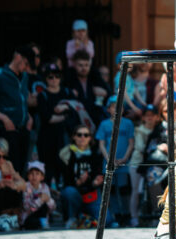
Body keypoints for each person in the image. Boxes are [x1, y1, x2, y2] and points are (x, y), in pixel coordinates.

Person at [0, 47, 33, 174]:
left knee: (22, 169)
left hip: (23, 129)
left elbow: (21, 100)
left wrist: (28, 116)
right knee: (9, 169)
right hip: (8, 130)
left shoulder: (24, 76)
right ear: (18, 57)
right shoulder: (1, 76)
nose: (27, 68)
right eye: (26, 64)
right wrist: (4, 118)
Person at [95, 97, 135, 227]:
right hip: (108, 164)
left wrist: (125, 158)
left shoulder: (128, 123)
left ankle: (126, 215)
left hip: (123, 163)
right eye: (113, 106)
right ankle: (115, 216)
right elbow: (101, 144)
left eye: (120, 106)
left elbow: (131, 143)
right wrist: (109, 159)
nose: (117, 109)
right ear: (108, 109)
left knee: (124, 190)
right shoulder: (104, 124)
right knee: (110, 191)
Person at [59, 125, 105, 228]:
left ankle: (84, 217)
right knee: (69, 191)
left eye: (86, 135)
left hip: (90, 194)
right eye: (79, 135)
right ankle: (72, 218)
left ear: (90, 138)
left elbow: (98, 175)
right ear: (74, 137)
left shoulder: (95, 155)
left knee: (106, 222)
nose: (82, 137)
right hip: (75, 194)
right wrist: (78, 182)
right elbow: (65, 181)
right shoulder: (66, 154)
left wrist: (95, 183)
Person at [129, 105, 161, 226]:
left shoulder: (159, 130)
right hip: (137, 164)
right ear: (143, 118)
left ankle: (156, 215)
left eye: (152, 115)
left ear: (157, 117)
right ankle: (134, 217)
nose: (149, 118)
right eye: (147, 115)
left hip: (152, 163)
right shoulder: (139, 130)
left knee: (153, 189)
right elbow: (140, 147)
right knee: (136, 191)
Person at [20, 161, 55, 230]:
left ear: (42, 177)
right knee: (31, 222)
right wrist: (40, 200)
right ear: (28, 176)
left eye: (37, 174)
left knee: (44, 206)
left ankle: (43, 222)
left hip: (41, 215)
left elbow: (52, 208)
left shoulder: (45, 187)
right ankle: (39, 223)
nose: (34, 176)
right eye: (31, 174)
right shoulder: (26, 187)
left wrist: (48, 200)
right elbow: (27, 207)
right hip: (29, 215)